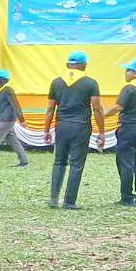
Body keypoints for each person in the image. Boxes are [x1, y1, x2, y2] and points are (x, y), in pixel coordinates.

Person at [42, 51, 106, 209]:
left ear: (67, 65)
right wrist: (102, 132)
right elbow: (97, 109)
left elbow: (50, 109)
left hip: (61, 126)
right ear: (84, 65)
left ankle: (53, 199)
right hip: (81, 126)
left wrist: (46, 130)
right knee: (76, 164)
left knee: (59, 161)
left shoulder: (56, 82)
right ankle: (69, 201)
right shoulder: (90, 83)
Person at [100, 59, 136, 207]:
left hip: (128, 129)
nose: (125, 73)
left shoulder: (129, 88)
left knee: (126, 164)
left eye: (128, 70)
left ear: (135, 73)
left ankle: (127, 197)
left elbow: (118, 107)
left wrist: (102, 115)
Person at [0, 70, 28, 166]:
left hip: (5, 119)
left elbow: (15, 104)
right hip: (4, 118)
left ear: (1, 79)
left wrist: (22, 119)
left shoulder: (7, 89)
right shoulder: (0, 89)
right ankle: (24, 161)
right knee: (12, 139)